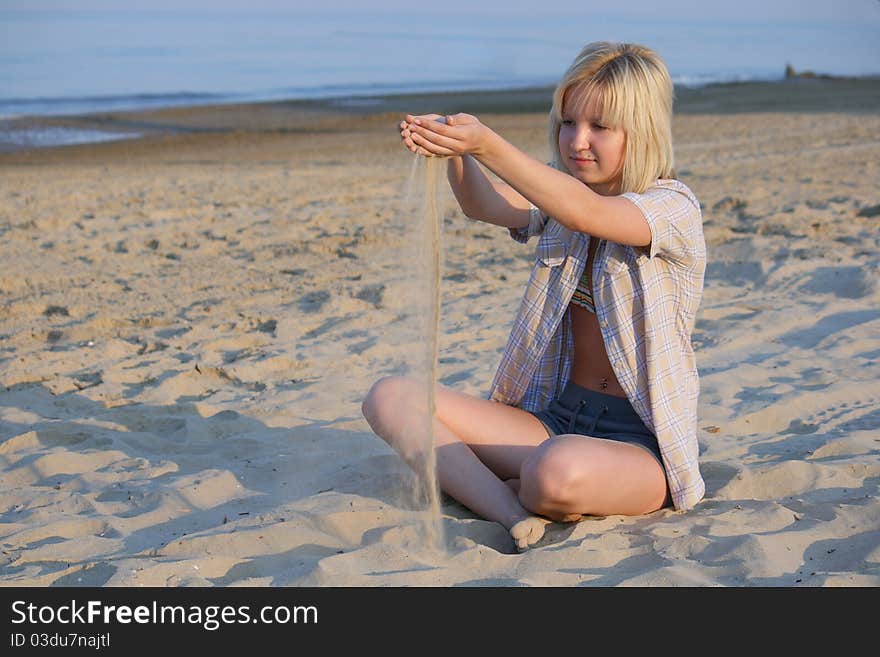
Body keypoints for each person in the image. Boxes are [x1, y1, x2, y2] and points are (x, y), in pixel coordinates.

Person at [361, 41, 706, 551]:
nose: (577, 141)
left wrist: (487, 144)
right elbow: (484, 205)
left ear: (644, 131)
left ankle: (490, 486)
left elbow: (588, 214)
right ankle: (507, 510)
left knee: (554, 473)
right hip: (553, 419)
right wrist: (456, 149)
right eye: (568, 122)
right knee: (389, 397)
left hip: (638, 445)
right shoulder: (559, 195)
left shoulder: (672, 208)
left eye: (600, 127)